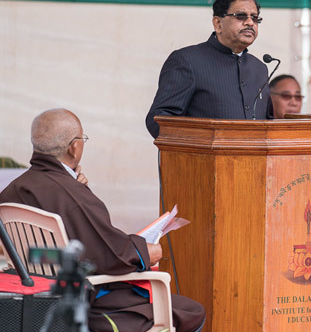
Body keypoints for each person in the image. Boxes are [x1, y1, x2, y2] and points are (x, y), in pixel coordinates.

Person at [0, 109, 205, 332]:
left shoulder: (12, 191)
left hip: (41, 295)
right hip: (90, 300)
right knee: (191, 311)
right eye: (82, 139)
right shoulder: (72, 196)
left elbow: (66, 244)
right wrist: (147, 252)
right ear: (74, 146)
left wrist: (79, 188)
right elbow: (111, 255)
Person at [145, 0, 272, 138]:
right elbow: (159, 121)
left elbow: (268, 124)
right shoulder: (187, 60)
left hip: (253, 161)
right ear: (218, 23)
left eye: (255, 18)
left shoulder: (259, 68)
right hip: (202, 159)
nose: (250, 22)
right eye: (241, 16)